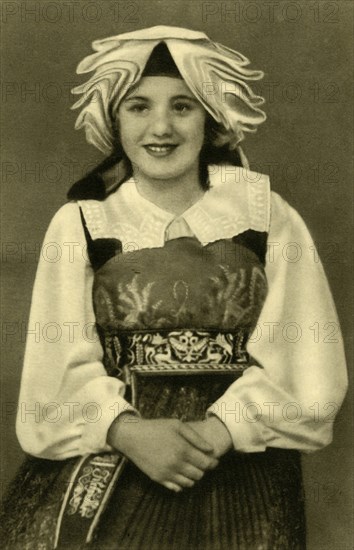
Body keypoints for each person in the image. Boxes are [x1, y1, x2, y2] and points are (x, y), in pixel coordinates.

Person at [1, 25, 347, 550]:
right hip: (119, 454)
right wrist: (128, 432)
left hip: (238, 462)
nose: (160, 126)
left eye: (182, 106)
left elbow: (308, 358)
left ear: (210, 119)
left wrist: (218, 432)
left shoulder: (267, 217)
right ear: (114, 121)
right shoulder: (84, 222)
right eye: (138, 107)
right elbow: (54, 370)